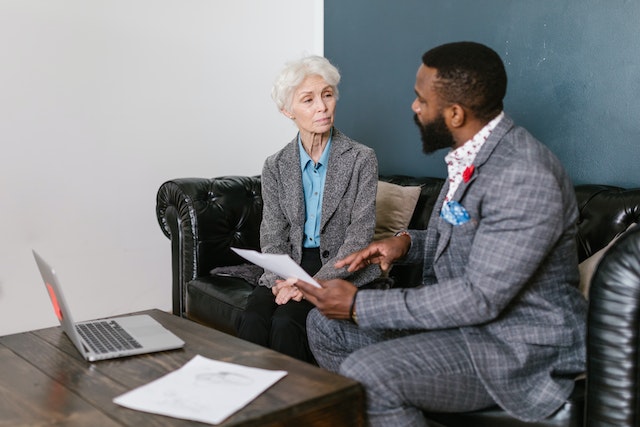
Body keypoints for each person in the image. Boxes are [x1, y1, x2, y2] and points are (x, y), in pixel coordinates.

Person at [295, 42, 587, 425]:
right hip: (463, 328)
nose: (414, 107)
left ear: (454, 112)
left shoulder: (523, 174)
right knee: (324, 326)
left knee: (371, 373)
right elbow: (477, 241)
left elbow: (480, 297)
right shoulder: (472, 152)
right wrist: (405, 243)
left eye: (421, 100)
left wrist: (358, 305)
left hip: (516, 347)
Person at [236, 55, 381, 364]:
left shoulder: (361, 159)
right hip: (289, 263)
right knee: (254, 318)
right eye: (308, 99)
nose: (322, 106)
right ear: (287, 110)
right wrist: (284, 278)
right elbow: (273, 237)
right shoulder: (275, 165)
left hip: (339, 264)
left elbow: (358, 239)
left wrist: (307, 285)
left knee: (287, 322)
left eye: (327, 95)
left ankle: (293, 405)